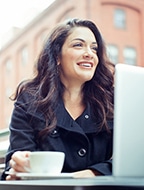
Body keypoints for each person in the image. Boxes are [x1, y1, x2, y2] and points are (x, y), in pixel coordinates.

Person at [1, 18, 114, 180]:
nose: (90, 53)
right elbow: (15, 164)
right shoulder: (29, 99)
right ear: (57, 56)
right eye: (78, 45)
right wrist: (18, 164)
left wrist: (90, 174)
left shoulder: (113, 101)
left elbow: (131, 159)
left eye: (94, 48)